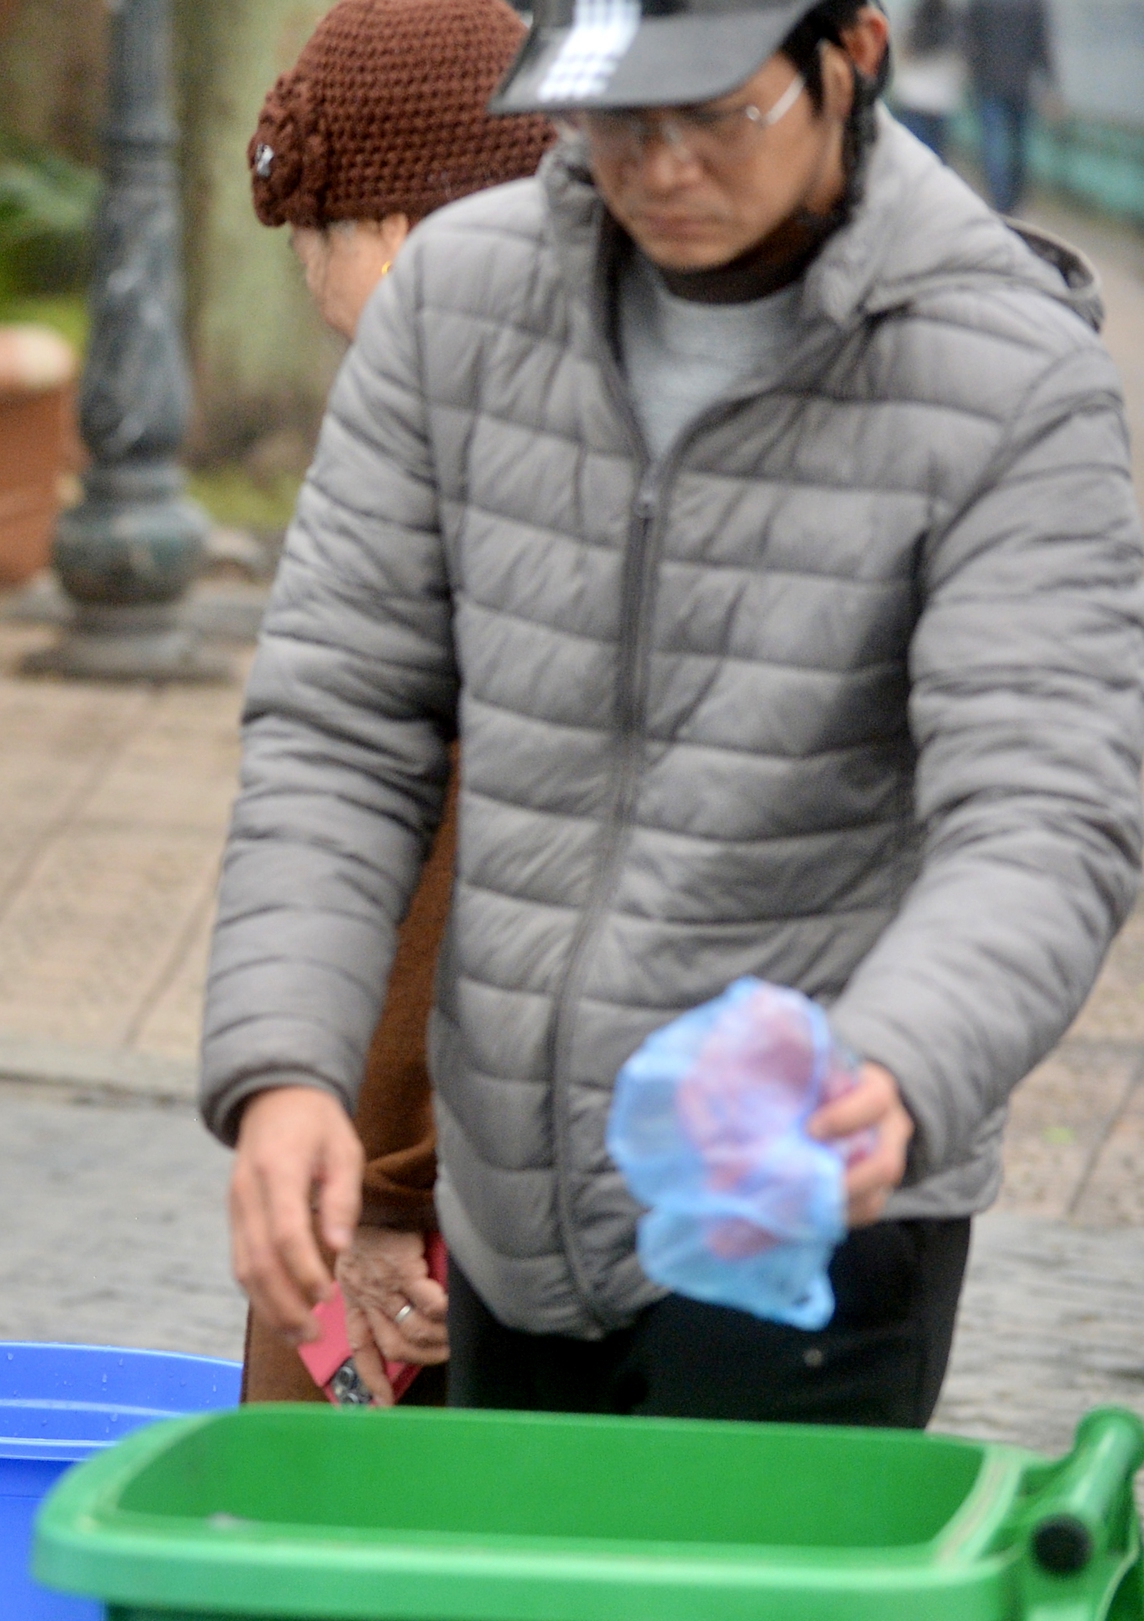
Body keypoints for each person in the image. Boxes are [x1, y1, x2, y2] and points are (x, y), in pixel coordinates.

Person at [206, 0, 1144, 1427]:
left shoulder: (1004, 371)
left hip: (812, 1206)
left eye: (714, 114)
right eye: (615, 118)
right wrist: (287, 1066)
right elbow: (341, 724)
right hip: (515, 1212)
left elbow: (1046, 805)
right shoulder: (461, 303)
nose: (660, 169)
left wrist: (900, 1055)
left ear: (857, 56)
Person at [236, 0, 552, 1407]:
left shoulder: (461, 457)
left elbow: (439, 855)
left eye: (322, 236)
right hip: (501, 1159)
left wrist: (379, 1185)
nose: (312, 283)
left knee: (319, 1543)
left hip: (428, 1172)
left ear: (408, 231)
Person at [963, 0, 1051, 210]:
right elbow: (1042, 44)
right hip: (1021, 86)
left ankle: (999, 200)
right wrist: (1050, 85)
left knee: (992, 144)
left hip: (988, 84)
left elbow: (970, 40)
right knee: (1019, 146)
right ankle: (1014, 199)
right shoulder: (1033, 5)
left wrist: (973, 75)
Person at [887, 0, 967, 159]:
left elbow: (905, 48)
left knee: (913, 150)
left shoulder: (916, 18)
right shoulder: (954, 22)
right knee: (936, 152)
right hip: (941, 98)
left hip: (914, 95)